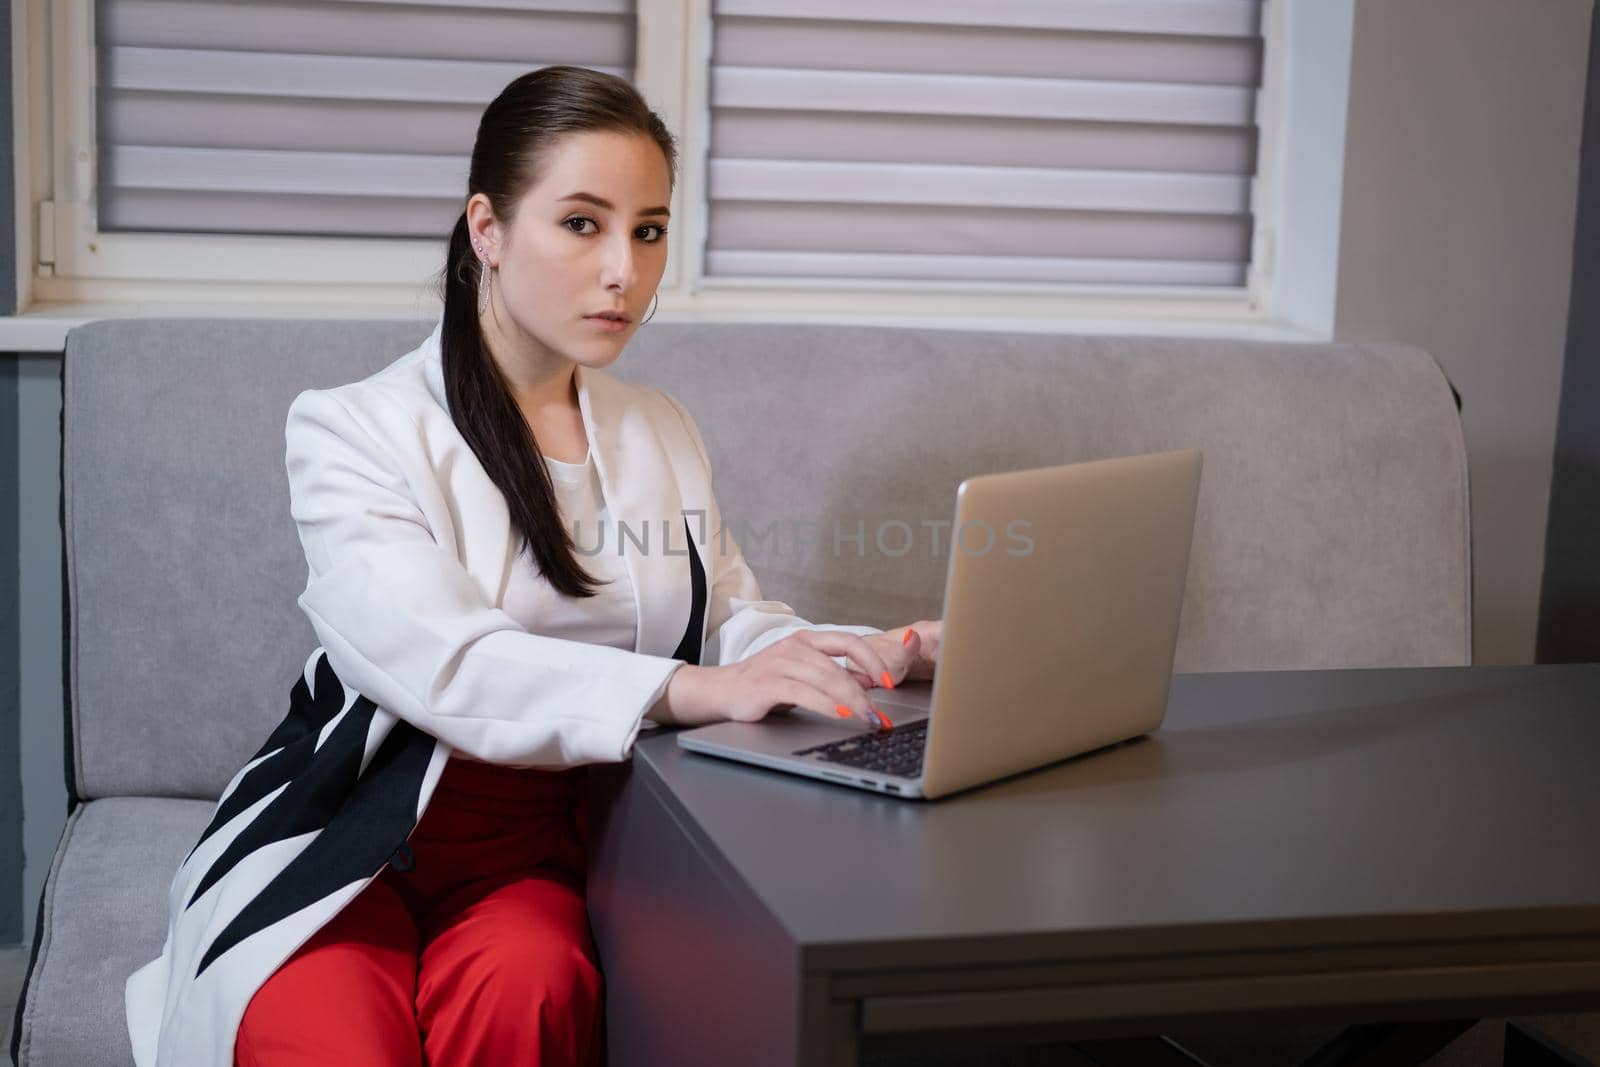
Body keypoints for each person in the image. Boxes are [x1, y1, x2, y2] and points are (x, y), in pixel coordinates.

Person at [122, 65, 942, 1067]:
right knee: (332, 1036)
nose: (624, 272)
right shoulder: (356, 427)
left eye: (647, 230)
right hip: (351, 832)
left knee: (535, 991)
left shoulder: (659, 429)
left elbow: (722, 617)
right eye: (583, 223)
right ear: (488, 229)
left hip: (537, 847)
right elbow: (441, 662)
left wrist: (858, 652)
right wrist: (687, 687)